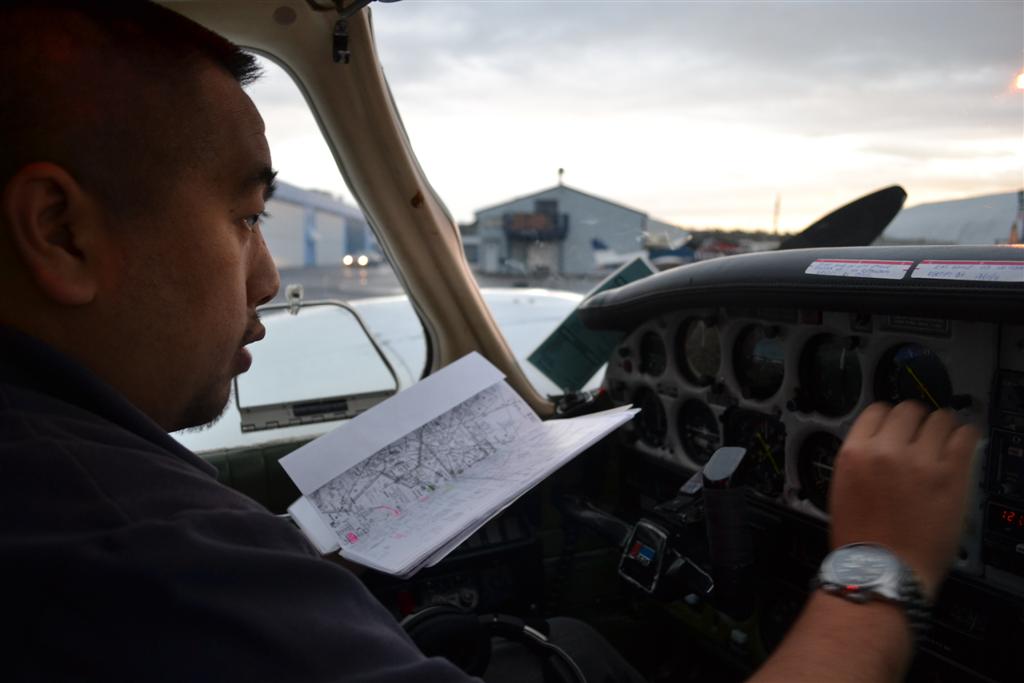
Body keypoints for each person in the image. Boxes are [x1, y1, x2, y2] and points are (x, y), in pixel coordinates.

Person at [0, 1, 979, 681]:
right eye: (244, 218)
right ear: (61, 232)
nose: (265, 279)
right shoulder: (143, 561)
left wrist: (310, 576)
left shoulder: (71, 475)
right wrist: (875, 565)